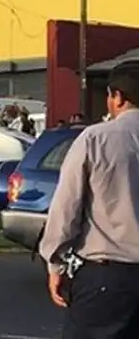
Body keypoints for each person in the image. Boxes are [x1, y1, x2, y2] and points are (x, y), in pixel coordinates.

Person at [38, 61, 139, 338]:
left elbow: (66, 208)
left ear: (118, 97)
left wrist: (55, 262)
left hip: (107, 277)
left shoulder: (95, 139)